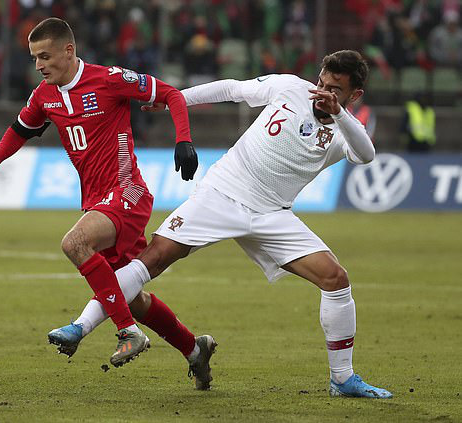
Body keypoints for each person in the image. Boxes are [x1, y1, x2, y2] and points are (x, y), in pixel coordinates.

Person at [50, 50, 393, 398]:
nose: (321, 91)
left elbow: (366, 154)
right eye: (321, 81)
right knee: (154, 258)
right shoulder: (290, 87)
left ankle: (342, 378)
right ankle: (80, 326)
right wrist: (175, 100)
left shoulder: (345, 130)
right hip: (222, 193)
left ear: (354, 95)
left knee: (336, 279)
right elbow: (232, 89)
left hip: (272, 213)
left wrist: (339, 113)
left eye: (333, 89)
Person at [0, 18, 217, 380]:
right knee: (128, 295)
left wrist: (183, 140)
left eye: (45, 56)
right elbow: (18, 131)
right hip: (97, 200)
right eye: (35, 58)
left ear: (69, 50)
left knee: (75, 242)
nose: (39, 65)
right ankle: (195, 349)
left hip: (128, 191)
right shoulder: (43, 96)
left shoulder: (110, 79)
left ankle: (127, 333)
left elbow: (171, 94)